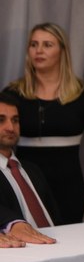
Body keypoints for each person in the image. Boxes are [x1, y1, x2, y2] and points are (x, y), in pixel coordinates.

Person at [3, 23, 84, 224]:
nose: (39, 50)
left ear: (62, 51)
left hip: (68, 188)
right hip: (24, 185)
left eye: (47, 45)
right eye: (34, 44)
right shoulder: (12, 94)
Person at [0, 92, 58, 246]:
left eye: (15, 120)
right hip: (24, 249)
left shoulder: (32, 170)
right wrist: (13, 223)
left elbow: (55, 217)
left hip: (58, 241)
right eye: (1, 120)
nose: (10, 128)